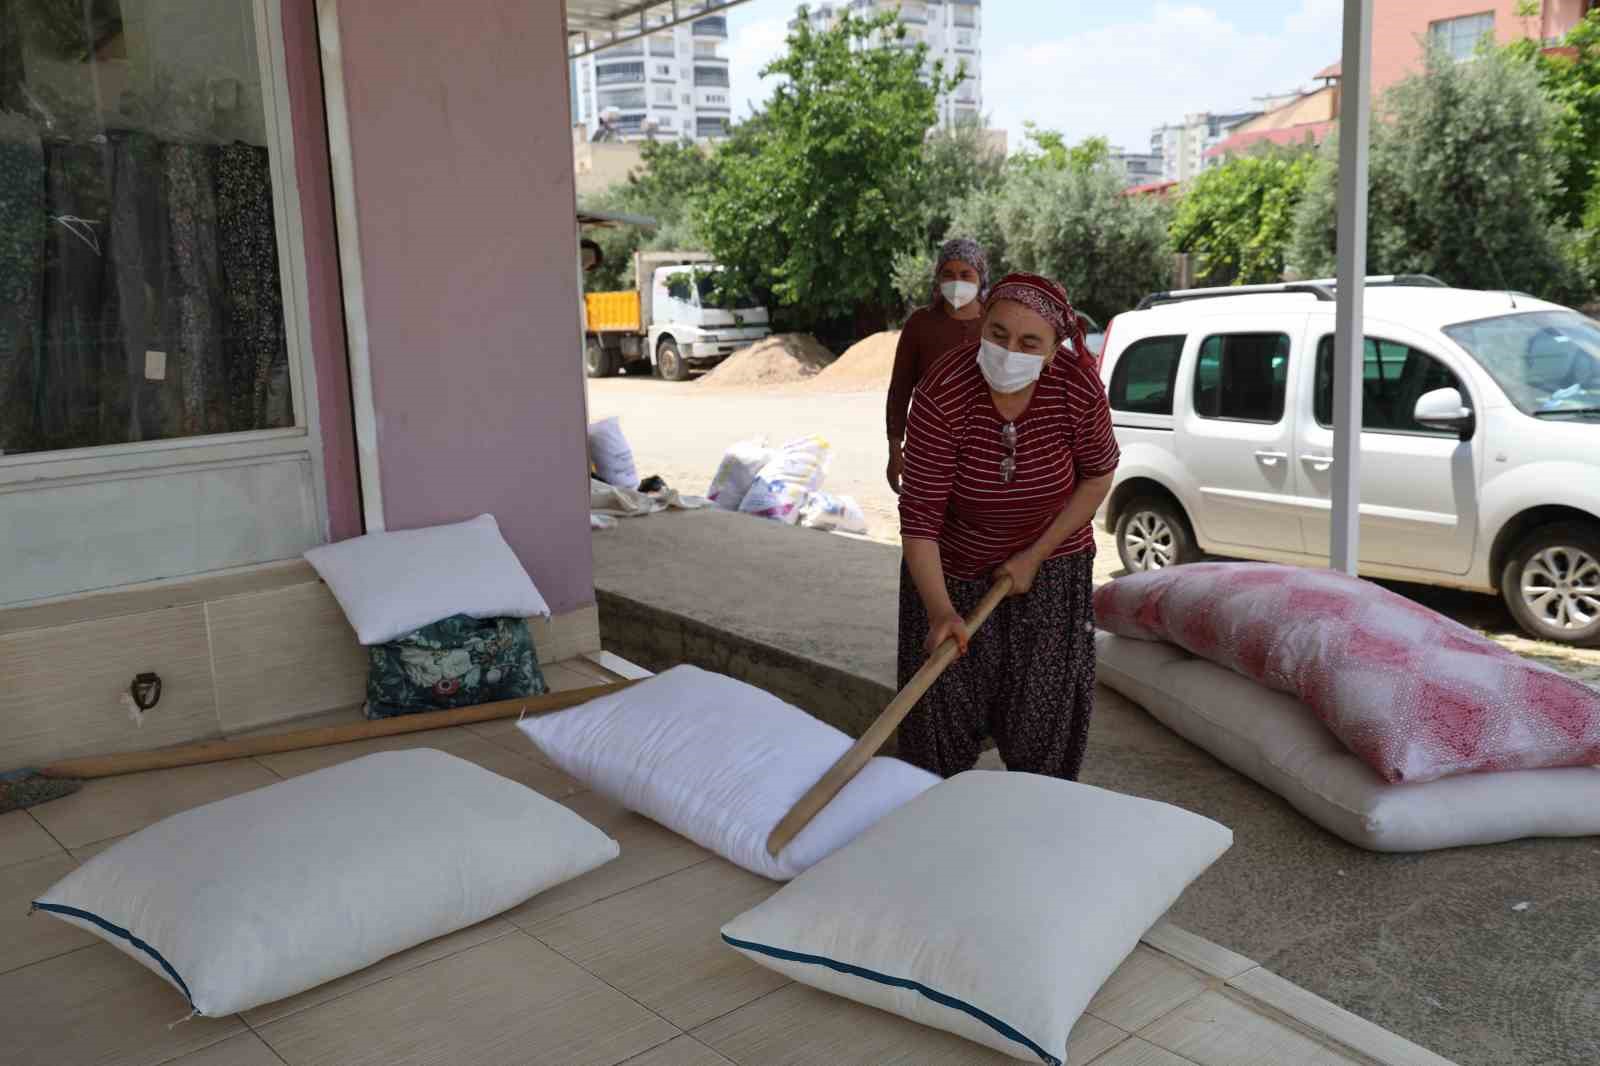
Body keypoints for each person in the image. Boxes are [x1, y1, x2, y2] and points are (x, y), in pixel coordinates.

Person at [896, 272, 1119, 781]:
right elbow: (920, 519)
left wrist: (1034, 556)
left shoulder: (1077, 386)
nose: (1008, 350)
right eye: (997, 334)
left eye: (1028, 342)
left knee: (1042, 720)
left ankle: (1035, 818)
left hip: (1053, 566)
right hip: (950, 569)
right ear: (981, 327)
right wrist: (940, 613)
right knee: (941, 717)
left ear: (1052, 349)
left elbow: (1097, 477)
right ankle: (939, 816)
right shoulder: (943, 390)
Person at [886, 238, 990, 494]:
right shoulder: (920, 324)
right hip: (927, 450)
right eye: (948, 274)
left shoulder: (998, 322)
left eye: (966, 274)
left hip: (986, 453)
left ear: (981, 276)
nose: (957, 282)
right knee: (925, 526)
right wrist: (894, 449)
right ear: (937, 277)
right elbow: (900, 391)